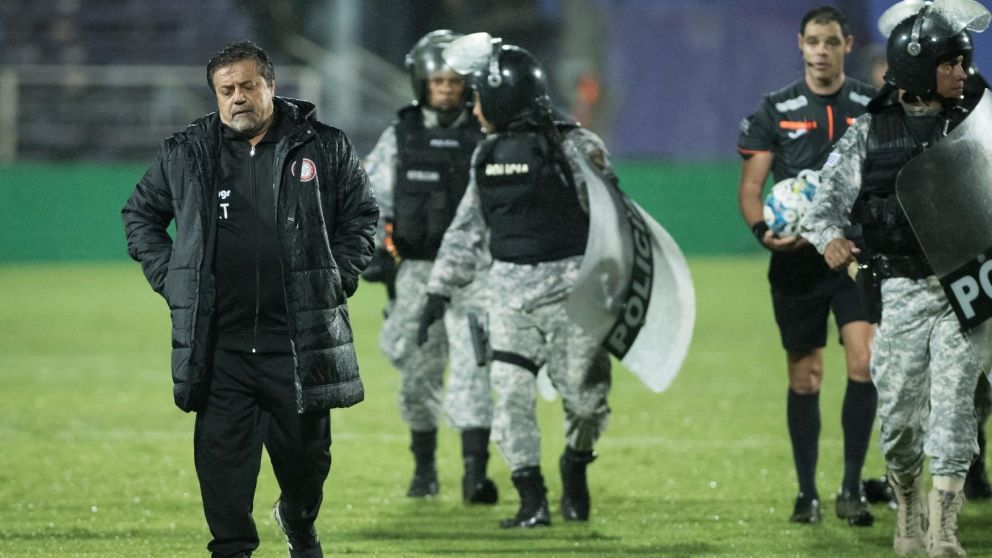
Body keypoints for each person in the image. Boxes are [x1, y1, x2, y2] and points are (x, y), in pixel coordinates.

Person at [121, 41, 378, 558]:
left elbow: (362, 219)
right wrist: (174, 278)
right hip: (222, 348)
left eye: (247, 86)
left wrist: (335, 277)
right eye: (227, 90)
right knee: (222, 472)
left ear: (271, 86)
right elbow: (140, 216)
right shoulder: (187, 152)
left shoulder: (324, 147)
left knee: (307, 466)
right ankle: (232, 548)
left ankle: (299, 521)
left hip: (297, 343)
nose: (238, 98)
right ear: (216, 95)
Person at [801, 5, 989, 554]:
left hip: (965, 288)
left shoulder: (977, 123)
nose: (963, 73)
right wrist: (830, 240)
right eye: (951, 63)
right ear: (919, 65)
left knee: (956, 409)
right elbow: (822, 211)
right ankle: (908, 510)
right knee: (901, 418)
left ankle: (945, 531)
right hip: (900, 290)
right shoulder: (868, 134)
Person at [419, 37, 612, 528]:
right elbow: (467, 230)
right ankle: (532, 500)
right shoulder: (485, 156)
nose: (473, 107)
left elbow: (614, 226)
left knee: (587, 403)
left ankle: (575, 466)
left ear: (502, 97)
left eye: (479, 96)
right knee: (512, 395)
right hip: (507, 299)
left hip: (573, 299)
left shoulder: (578, 148)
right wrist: (437, 292)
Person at [736, 6, 881, 527]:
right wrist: (765, 233)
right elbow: (753, 188)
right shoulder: (776, 109)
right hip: (797, 264)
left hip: (854, 257)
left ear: (846, 45)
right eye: (813, 42)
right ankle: (806, 494)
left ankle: (850, 489)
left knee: (864, 364)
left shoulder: (870, 105)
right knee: (806, 378)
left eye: (832, 42)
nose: (822, 50)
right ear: (800, 44)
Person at [362, 29, 497, 503]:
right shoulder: (401, 135)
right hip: (416, 272)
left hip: (473, 276)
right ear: (422, 82)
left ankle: (474, 476)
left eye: (455, 81)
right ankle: (424, 470)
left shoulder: (487, 133)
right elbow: (367, 199)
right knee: (418, 377)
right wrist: (375, 249)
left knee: (473, 372)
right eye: (437, 80)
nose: (445, 89)